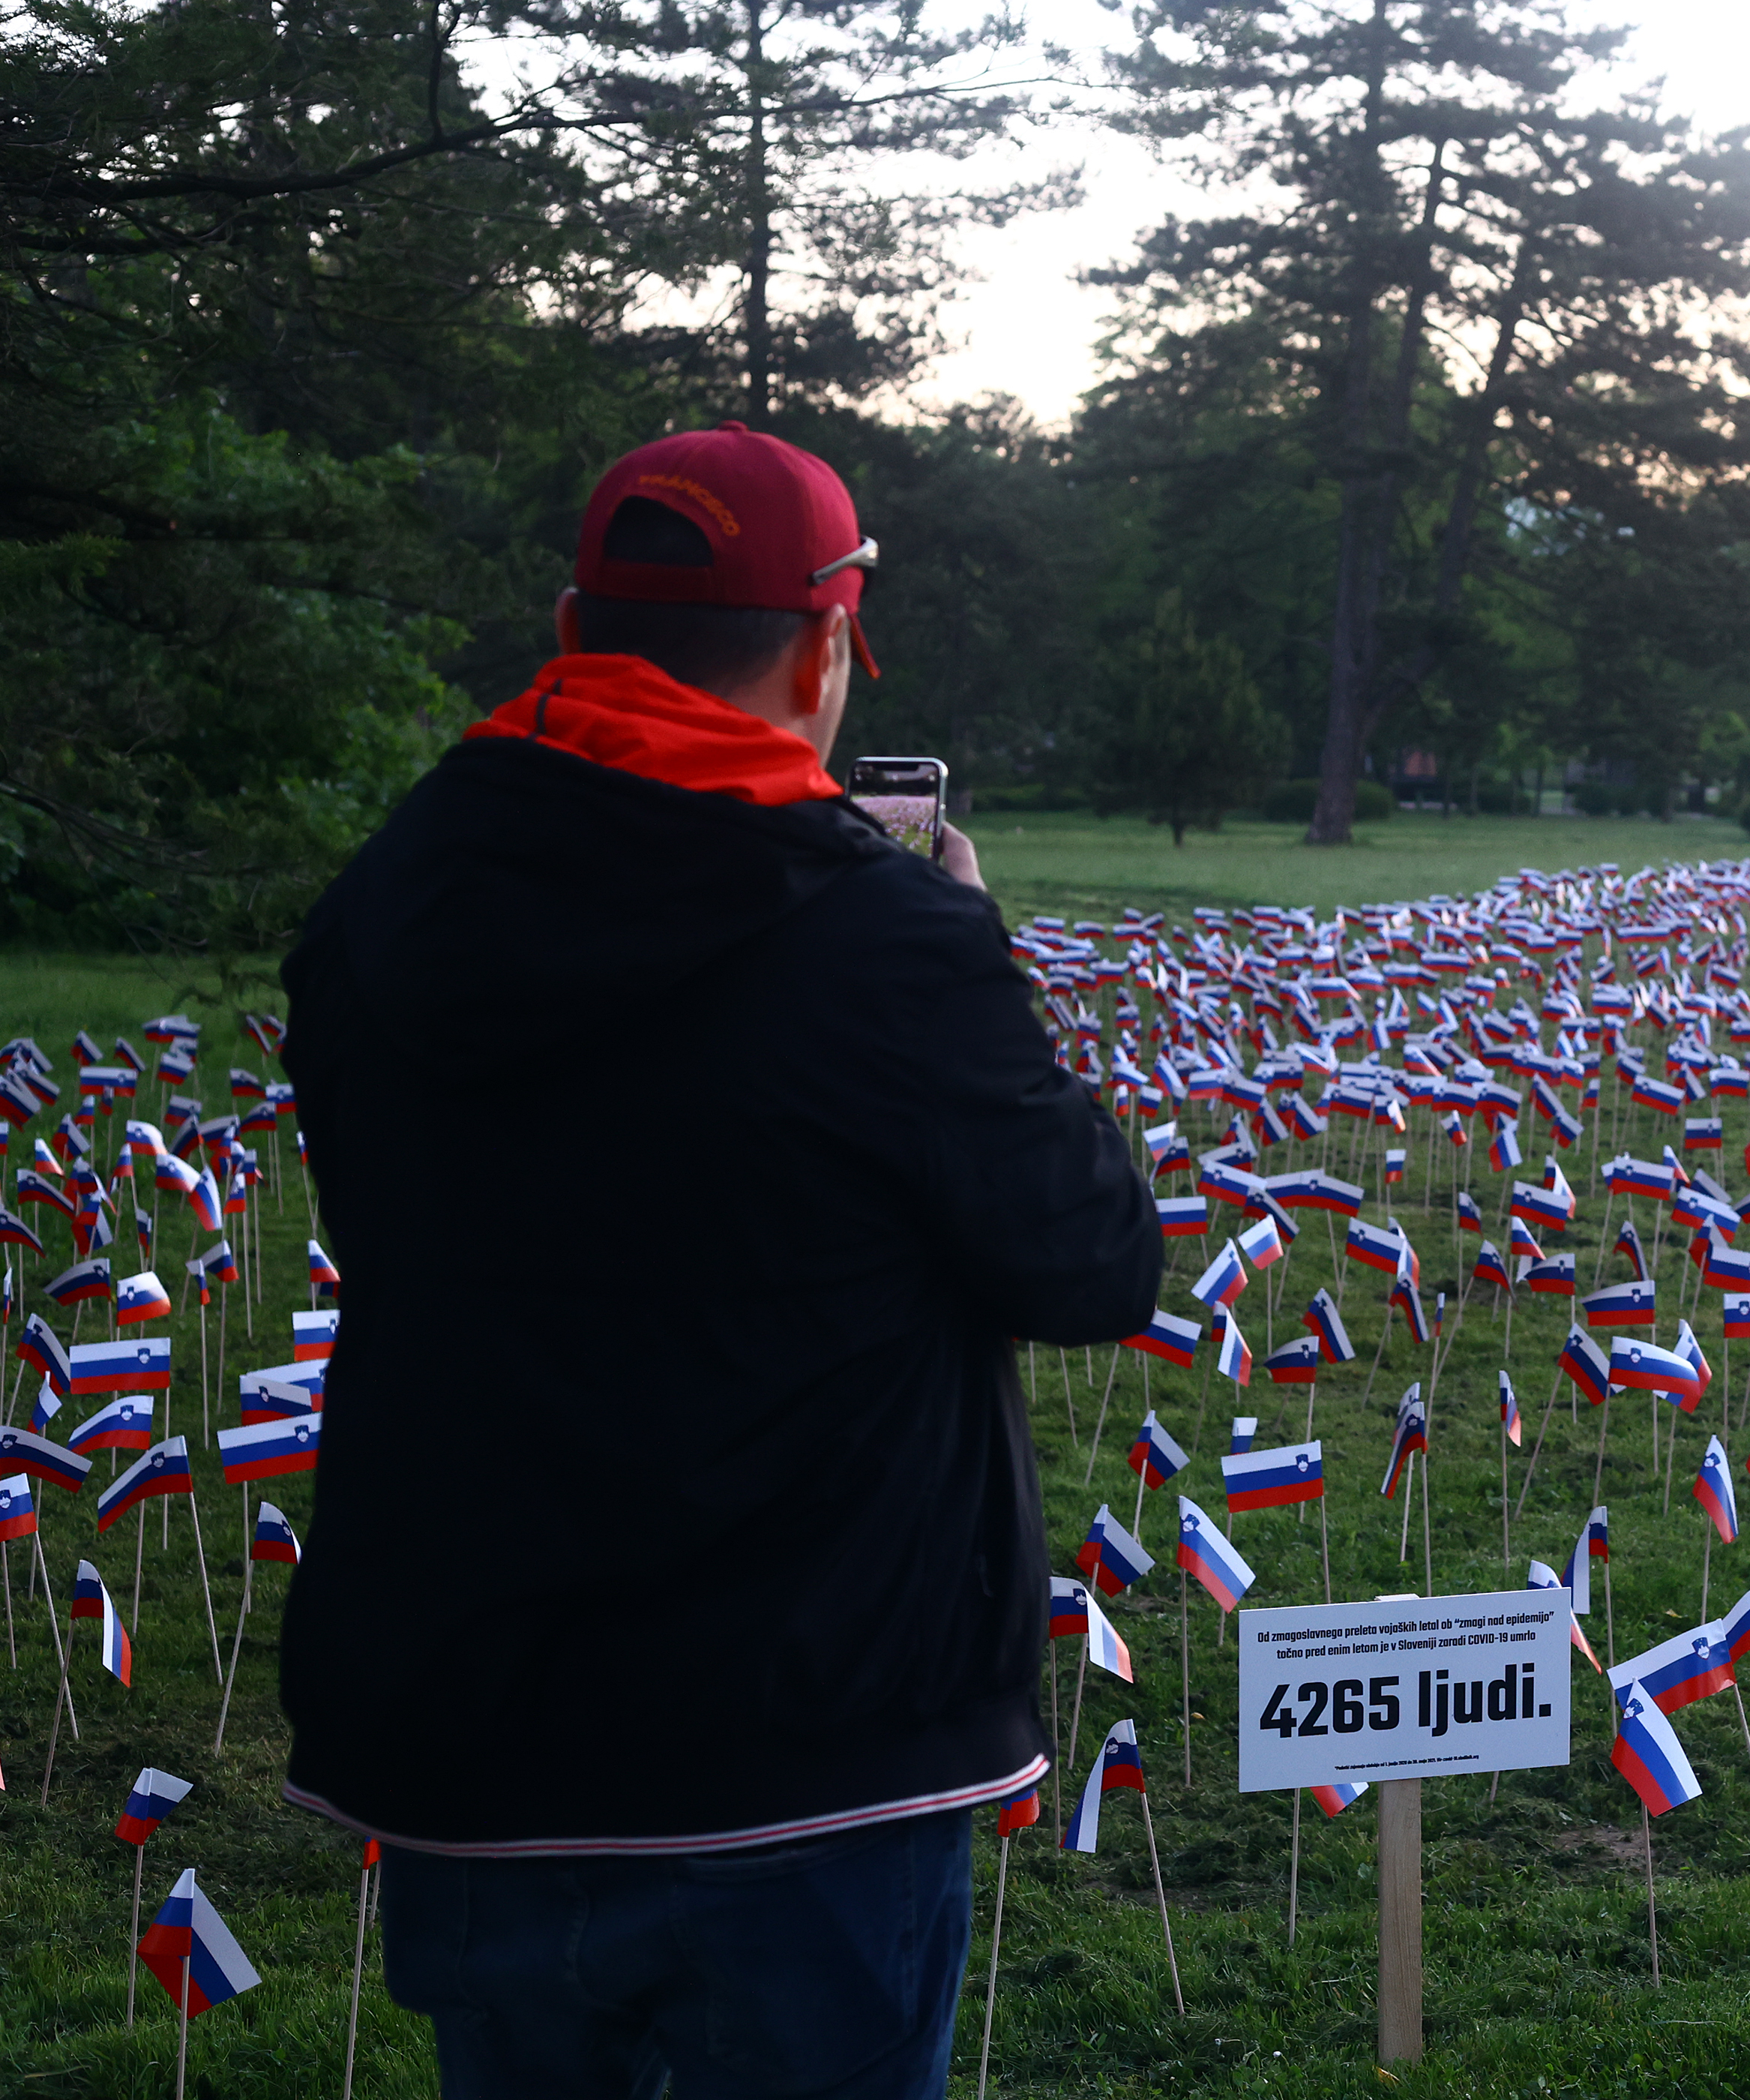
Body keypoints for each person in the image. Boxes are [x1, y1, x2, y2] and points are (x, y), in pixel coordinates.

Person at [278, 423, 1163, 2097]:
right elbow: (1097, 1262)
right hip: (809, 1747)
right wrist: (968, 962)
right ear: (830, 643)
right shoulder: (885, 944)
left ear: (570, 625)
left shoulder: (383, 906)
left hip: (482, 1730)